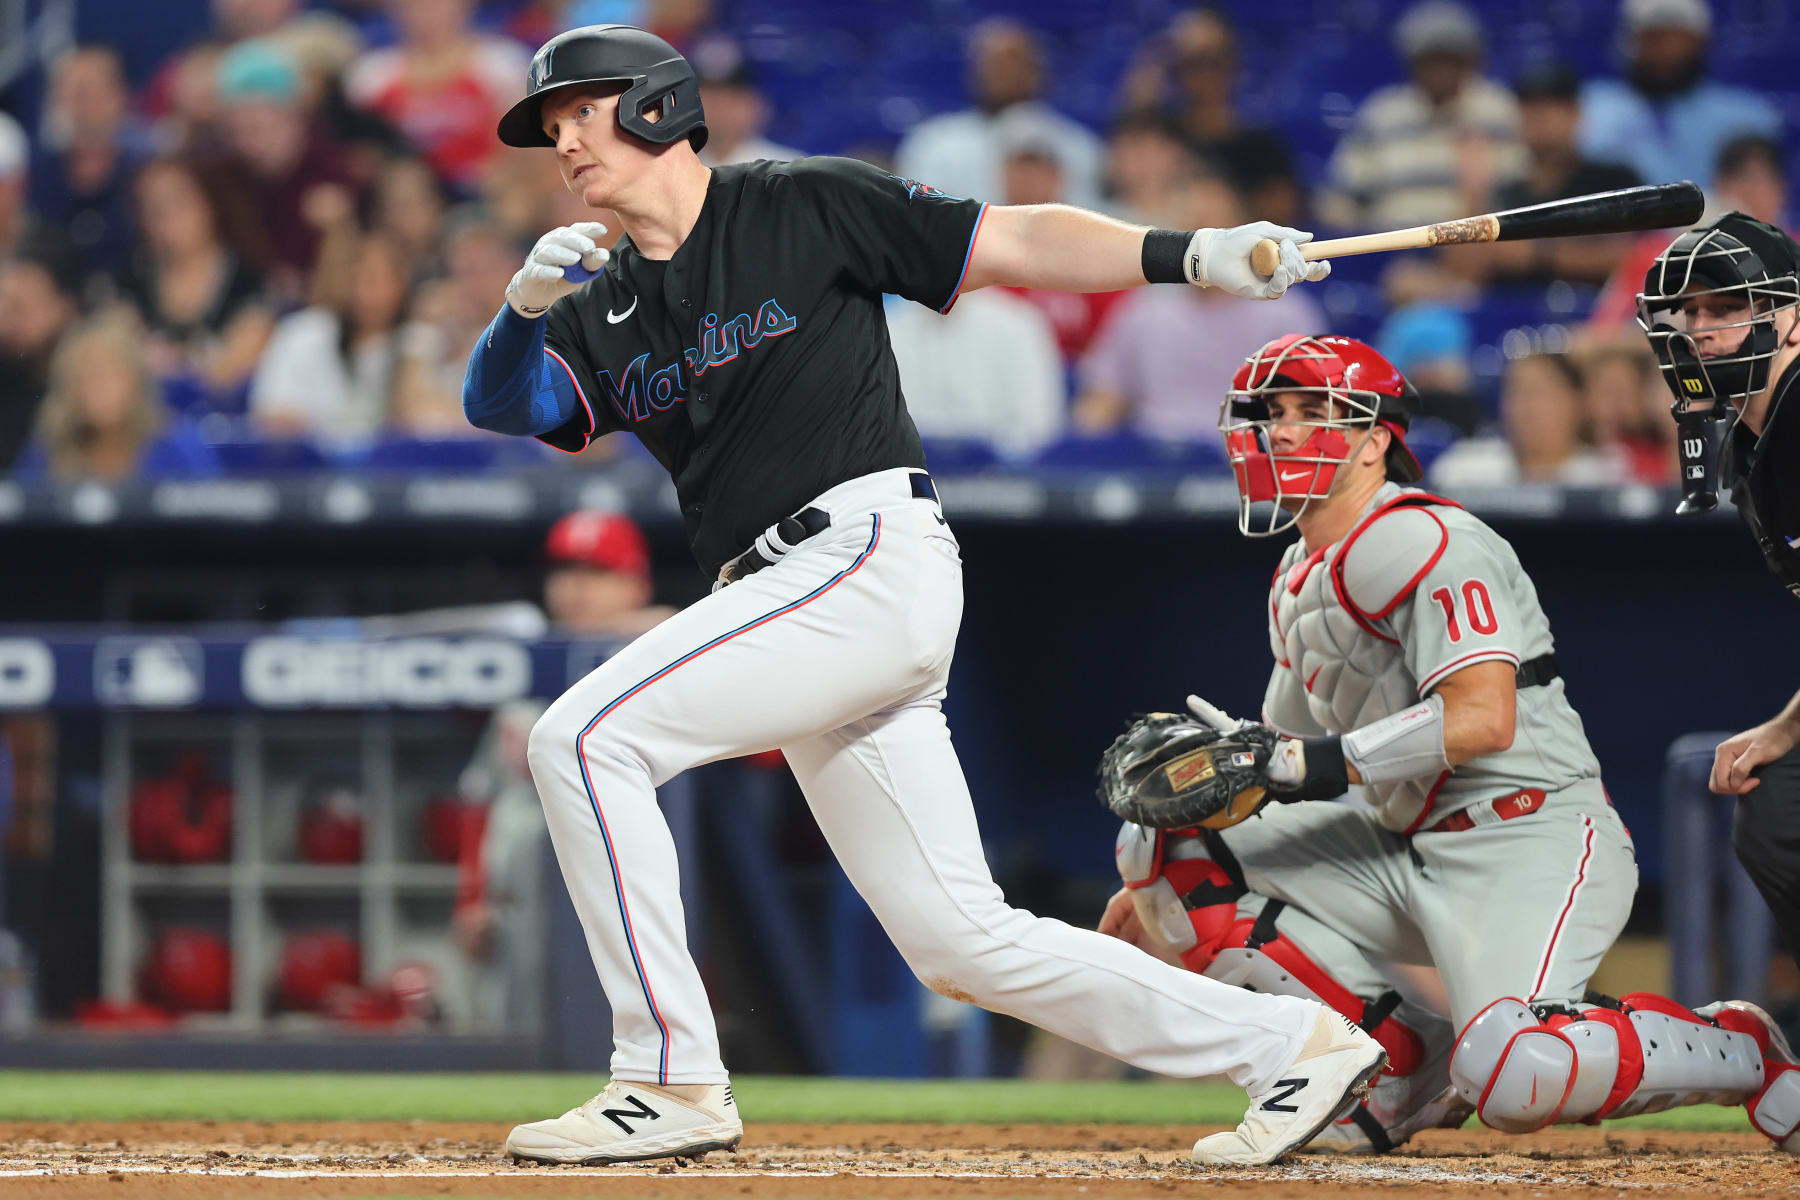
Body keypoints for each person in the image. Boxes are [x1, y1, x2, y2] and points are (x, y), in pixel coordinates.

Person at [462, 23, 1367, 1171]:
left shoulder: (800, 202)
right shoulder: (602, 298)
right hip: (794, 603)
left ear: (655, 106)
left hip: (859, 555)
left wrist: (1188, 255)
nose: (563, 140)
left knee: (581, 738)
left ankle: (669, 1078)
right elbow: (504, 405)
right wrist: (523, 306)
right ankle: (1294, 1042)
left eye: (582, 110)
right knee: (959, 942)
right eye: (551, 126)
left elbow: (1016, 237)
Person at [1097, 332, 1800, 1156]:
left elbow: (1479, 719)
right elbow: (1286, 753)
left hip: (1527, 835)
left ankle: (1739, 1048)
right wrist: (1165, 881)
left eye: (1313, 411)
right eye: (1270, 413)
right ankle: (1395, 1066)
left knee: (1516, 1074)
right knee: (1161, 839)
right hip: (1402, 842)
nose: (1282, 432)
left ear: (1375, 439)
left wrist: (1296, 763)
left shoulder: (1427, 538)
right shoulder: (1298, 573)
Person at [1634, 212, 1800, 979]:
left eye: (1726, 309)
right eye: (1689, 312)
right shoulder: (1754, 438)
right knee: (1775, 815)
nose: (1698, 330)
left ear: (1791, 318)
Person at [456, 511, 676, 1028]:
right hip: (519, 906)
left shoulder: (666, 652)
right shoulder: (522, 668)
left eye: (598, 573)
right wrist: (471, 899)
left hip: (629, 893)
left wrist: (667, 628)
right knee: (512, 1038)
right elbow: (481, 797)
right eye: (566, 571)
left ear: (636, 584)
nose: (576, 588)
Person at [1074, 173, 1325, 445]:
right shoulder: (1145, 311)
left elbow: (1312, 409)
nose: (1206, 246)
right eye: (1194, 231)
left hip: (1252, 461)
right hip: (1156, 462)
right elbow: (1102, 400)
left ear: (1244, 231)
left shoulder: (1285, 314)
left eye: (1217, 229)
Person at [1321, 1, 1525, 231]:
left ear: (1471, 60)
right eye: (1431, 58)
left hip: (1474, 250)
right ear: (1412, 63)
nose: (1441, 70)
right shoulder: (1381, 115)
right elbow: (1338, 201)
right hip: (1391, 250)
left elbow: (1521, 191)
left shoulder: (1497, 111)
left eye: (1450, 58)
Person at [1118, 7, 1303, 227]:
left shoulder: (1261, 146)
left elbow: (1281, 217)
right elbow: (1126, 156)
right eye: (1194, 63)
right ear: (1178, 70)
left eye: (1215, 61)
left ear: (1234, 64)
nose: (1206, 75)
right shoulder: (1166, 140)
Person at [894, 18, 1104, 209]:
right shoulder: (933, 142)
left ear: (1039, 72)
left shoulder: (1077, 146)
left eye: (1015, 62)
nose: (1004, 73)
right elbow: (919, 215)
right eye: (993, 63)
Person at [122, 157, 273, 417]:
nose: (164, 218)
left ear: (208, 203)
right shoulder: (130, 282)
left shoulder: (247, 281)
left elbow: (234, 368)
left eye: (176, 203)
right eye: (152, 207)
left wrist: (172, 369)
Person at [1579, 0, 1780, 192]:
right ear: (1629, 42)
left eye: (1678, 39)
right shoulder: (1590, 109)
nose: (1666, 51)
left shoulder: (1748, 118)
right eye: (1654, 38)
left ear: (1701, 42)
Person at [1481, 61, 1643, 289]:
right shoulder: (1505, 195)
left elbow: (1637, 257)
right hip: (1516, 315)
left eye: (1553, 105)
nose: (1540, 116)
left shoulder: (1615, 181)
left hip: (1598, 314)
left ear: (1576, 114)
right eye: (1529, 106)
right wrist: (1474, 190)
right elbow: (1470, 273)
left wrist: (1538, 256)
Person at [19, 307, 220, 483]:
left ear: (136, 381)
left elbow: (209, 516)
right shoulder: (46, 454)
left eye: (109, 374)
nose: (98, 388)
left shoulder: (179, 450)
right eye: (84, 377)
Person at [345, 0, 530, 191]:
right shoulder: (371, 77)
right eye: (416, 4)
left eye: (437, 3)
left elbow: (524, 147)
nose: (426, 11)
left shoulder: (502, 66)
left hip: (483, 192)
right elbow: (362, 159)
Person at [248, 230, 411, 447]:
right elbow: (270, 416)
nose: (360, 289)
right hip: (307, 470)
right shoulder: (303, 333)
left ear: (400, 285)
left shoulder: (415, 343)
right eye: (353, 274)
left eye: (373, 278)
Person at [29, 45, 153, 286]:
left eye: (87, 92)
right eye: (66, 92)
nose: (78, 106)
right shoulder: (35, 174)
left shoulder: (148, 171)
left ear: (121, 96)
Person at [1428, 352, 1628, 488]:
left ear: (1577, 403)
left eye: (1538, 391)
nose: (1525, 405)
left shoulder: (1608, 473)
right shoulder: (1464, 467)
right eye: (1515, 391)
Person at [0, 240, 83, 472]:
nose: (8, 321)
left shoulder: (91, 386)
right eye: (4, 306)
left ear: (64, 306)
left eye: (22, 306)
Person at [690, 35, 799, 167]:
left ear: (757, 104)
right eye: (708, 95)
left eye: (732, 96)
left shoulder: (789, 169)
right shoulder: (670, 168)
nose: (719, 107)